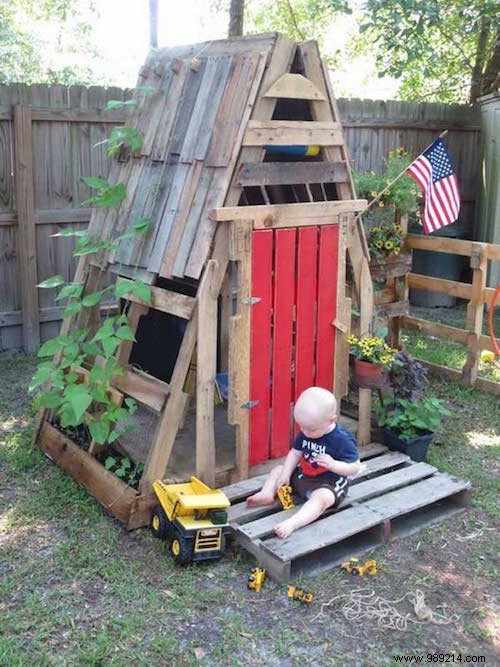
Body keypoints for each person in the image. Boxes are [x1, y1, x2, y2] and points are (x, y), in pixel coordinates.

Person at [246, 386, 361, 539]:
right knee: (278, 470)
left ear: (331, 420)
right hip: (305, 477)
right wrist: (285, 475)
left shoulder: (342, 439)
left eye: (311, 430)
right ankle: (267, 493)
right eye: (302, 427)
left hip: (329, 483)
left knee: (322, 499)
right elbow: (295, 453)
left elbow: (355, 467)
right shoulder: (307, 430)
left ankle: (293, 522)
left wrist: (333, 464)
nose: (305, 432)